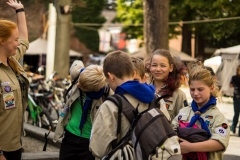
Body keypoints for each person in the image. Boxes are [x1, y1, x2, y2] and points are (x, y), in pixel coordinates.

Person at [89, 50, 157, 159]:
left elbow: (99, 149)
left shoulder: (110, 106)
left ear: (111, 76)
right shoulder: (156, 99)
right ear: (133, 73)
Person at [53, 60, 112, 160]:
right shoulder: (78, 74)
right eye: (79, 81)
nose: (78, 85)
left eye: (83, 86)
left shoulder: (107, 94)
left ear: (95, 89)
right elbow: (77, 62)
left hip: (89, 142)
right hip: (69, 136)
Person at [172, 63, 230, 160]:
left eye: (200, 89)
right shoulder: (183, 112)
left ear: (211, 88)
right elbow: (170, 132)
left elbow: (220, 143)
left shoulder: (217, 117)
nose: (195, 93)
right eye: (192, 89)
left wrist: (191, 147)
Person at [0, 1, 29, 160]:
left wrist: (20, 10)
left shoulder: (12, 60)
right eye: (14, 39)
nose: (19, 44)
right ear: (2, 41)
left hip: (15, 145)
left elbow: (24, 39)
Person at [146, 49, 188, 120]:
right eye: (154, 65)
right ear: (150, 67)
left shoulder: (179, 95)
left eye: (163, 66)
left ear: (171, 68)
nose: (158, 69)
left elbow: (183, 122)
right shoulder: (144, 90)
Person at [229, 64, 240, 136]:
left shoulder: (234, 77)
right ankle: (233, 127)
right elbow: (230, 85)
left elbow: (230, 85)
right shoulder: (234, 77)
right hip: (237, 98)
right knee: (236, 114)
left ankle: (237, 130)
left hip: (237, 97)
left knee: (237, 114)